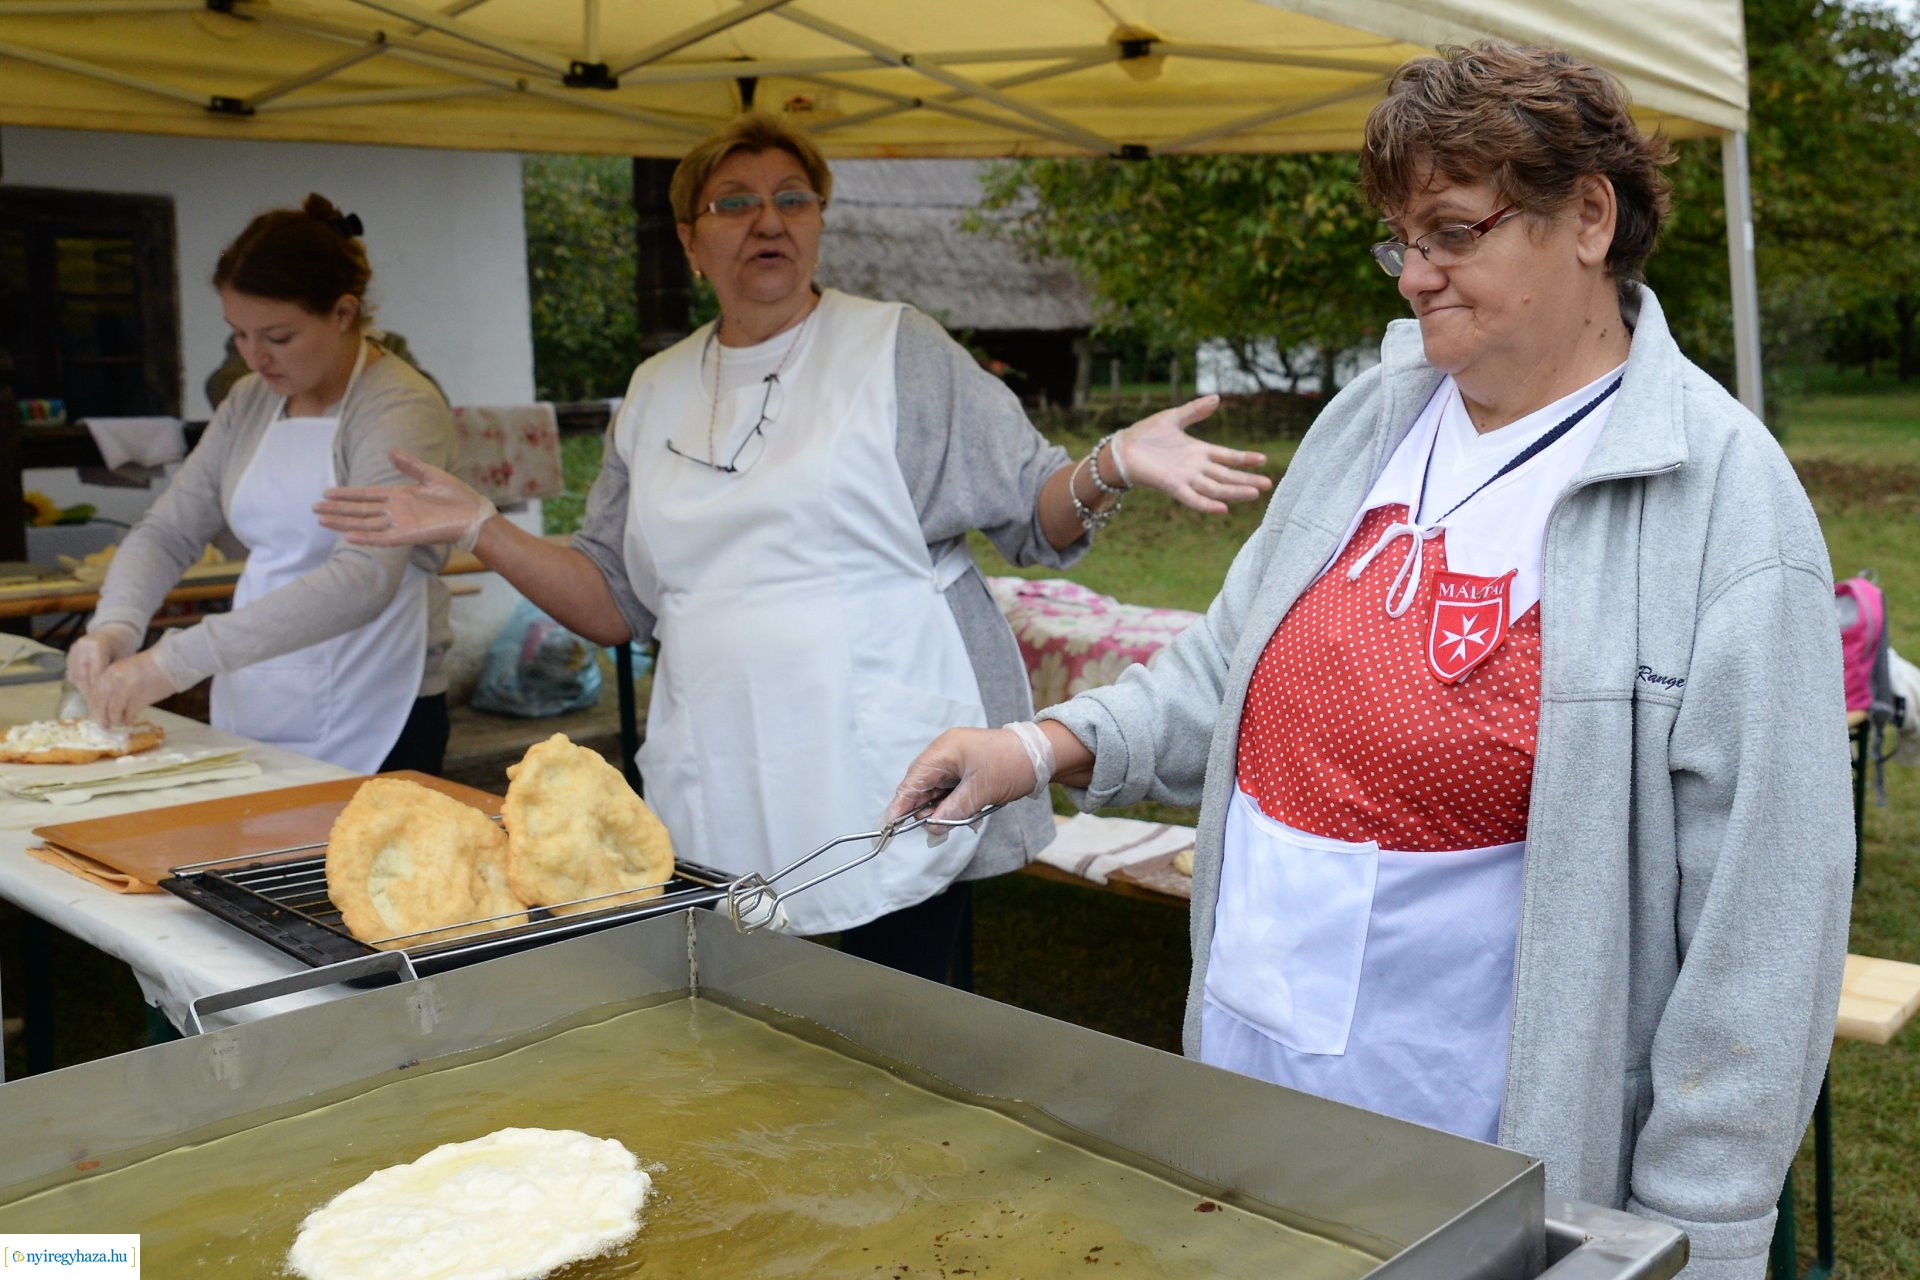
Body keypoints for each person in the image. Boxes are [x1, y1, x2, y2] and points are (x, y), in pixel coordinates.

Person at [885, 42, 1852, 1279]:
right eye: (1400, 239)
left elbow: (1761, 934)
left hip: (1482, 1151)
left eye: (1452, 231)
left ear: (1589, 218)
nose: (1415, 275)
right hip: (1254, 1098)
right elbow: (1229, 666)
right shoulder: (1375, 419)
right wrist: (1036, 746)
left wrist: (1692, 1244)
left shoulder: (1720, 501)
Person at [315, 113, 1270, 981]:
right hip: (721, 760)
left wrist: (1112, 461)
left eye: (792, 198)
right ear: (690, 240)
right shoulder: (654, 390)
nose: (766, 220)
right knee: (744, 1022)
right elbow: (613, 600)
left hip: (888, 752)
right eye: (733, 203)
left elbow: (1034, 511)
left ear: (818, 221)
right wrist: (481, 526)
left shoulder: (894, 349)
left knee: (906, 1026)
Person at [68, 194, 457, 775]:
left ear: (343, 313)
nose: (255, 358)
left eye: (278, 337)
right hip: (257, 688)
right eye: (239, 335)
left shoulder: (399, 407)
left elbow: (364, 578)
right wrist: (116, 624)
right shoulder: (251, 401)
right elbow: (168, 530)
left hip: (380, 701)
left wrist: (174, 661)